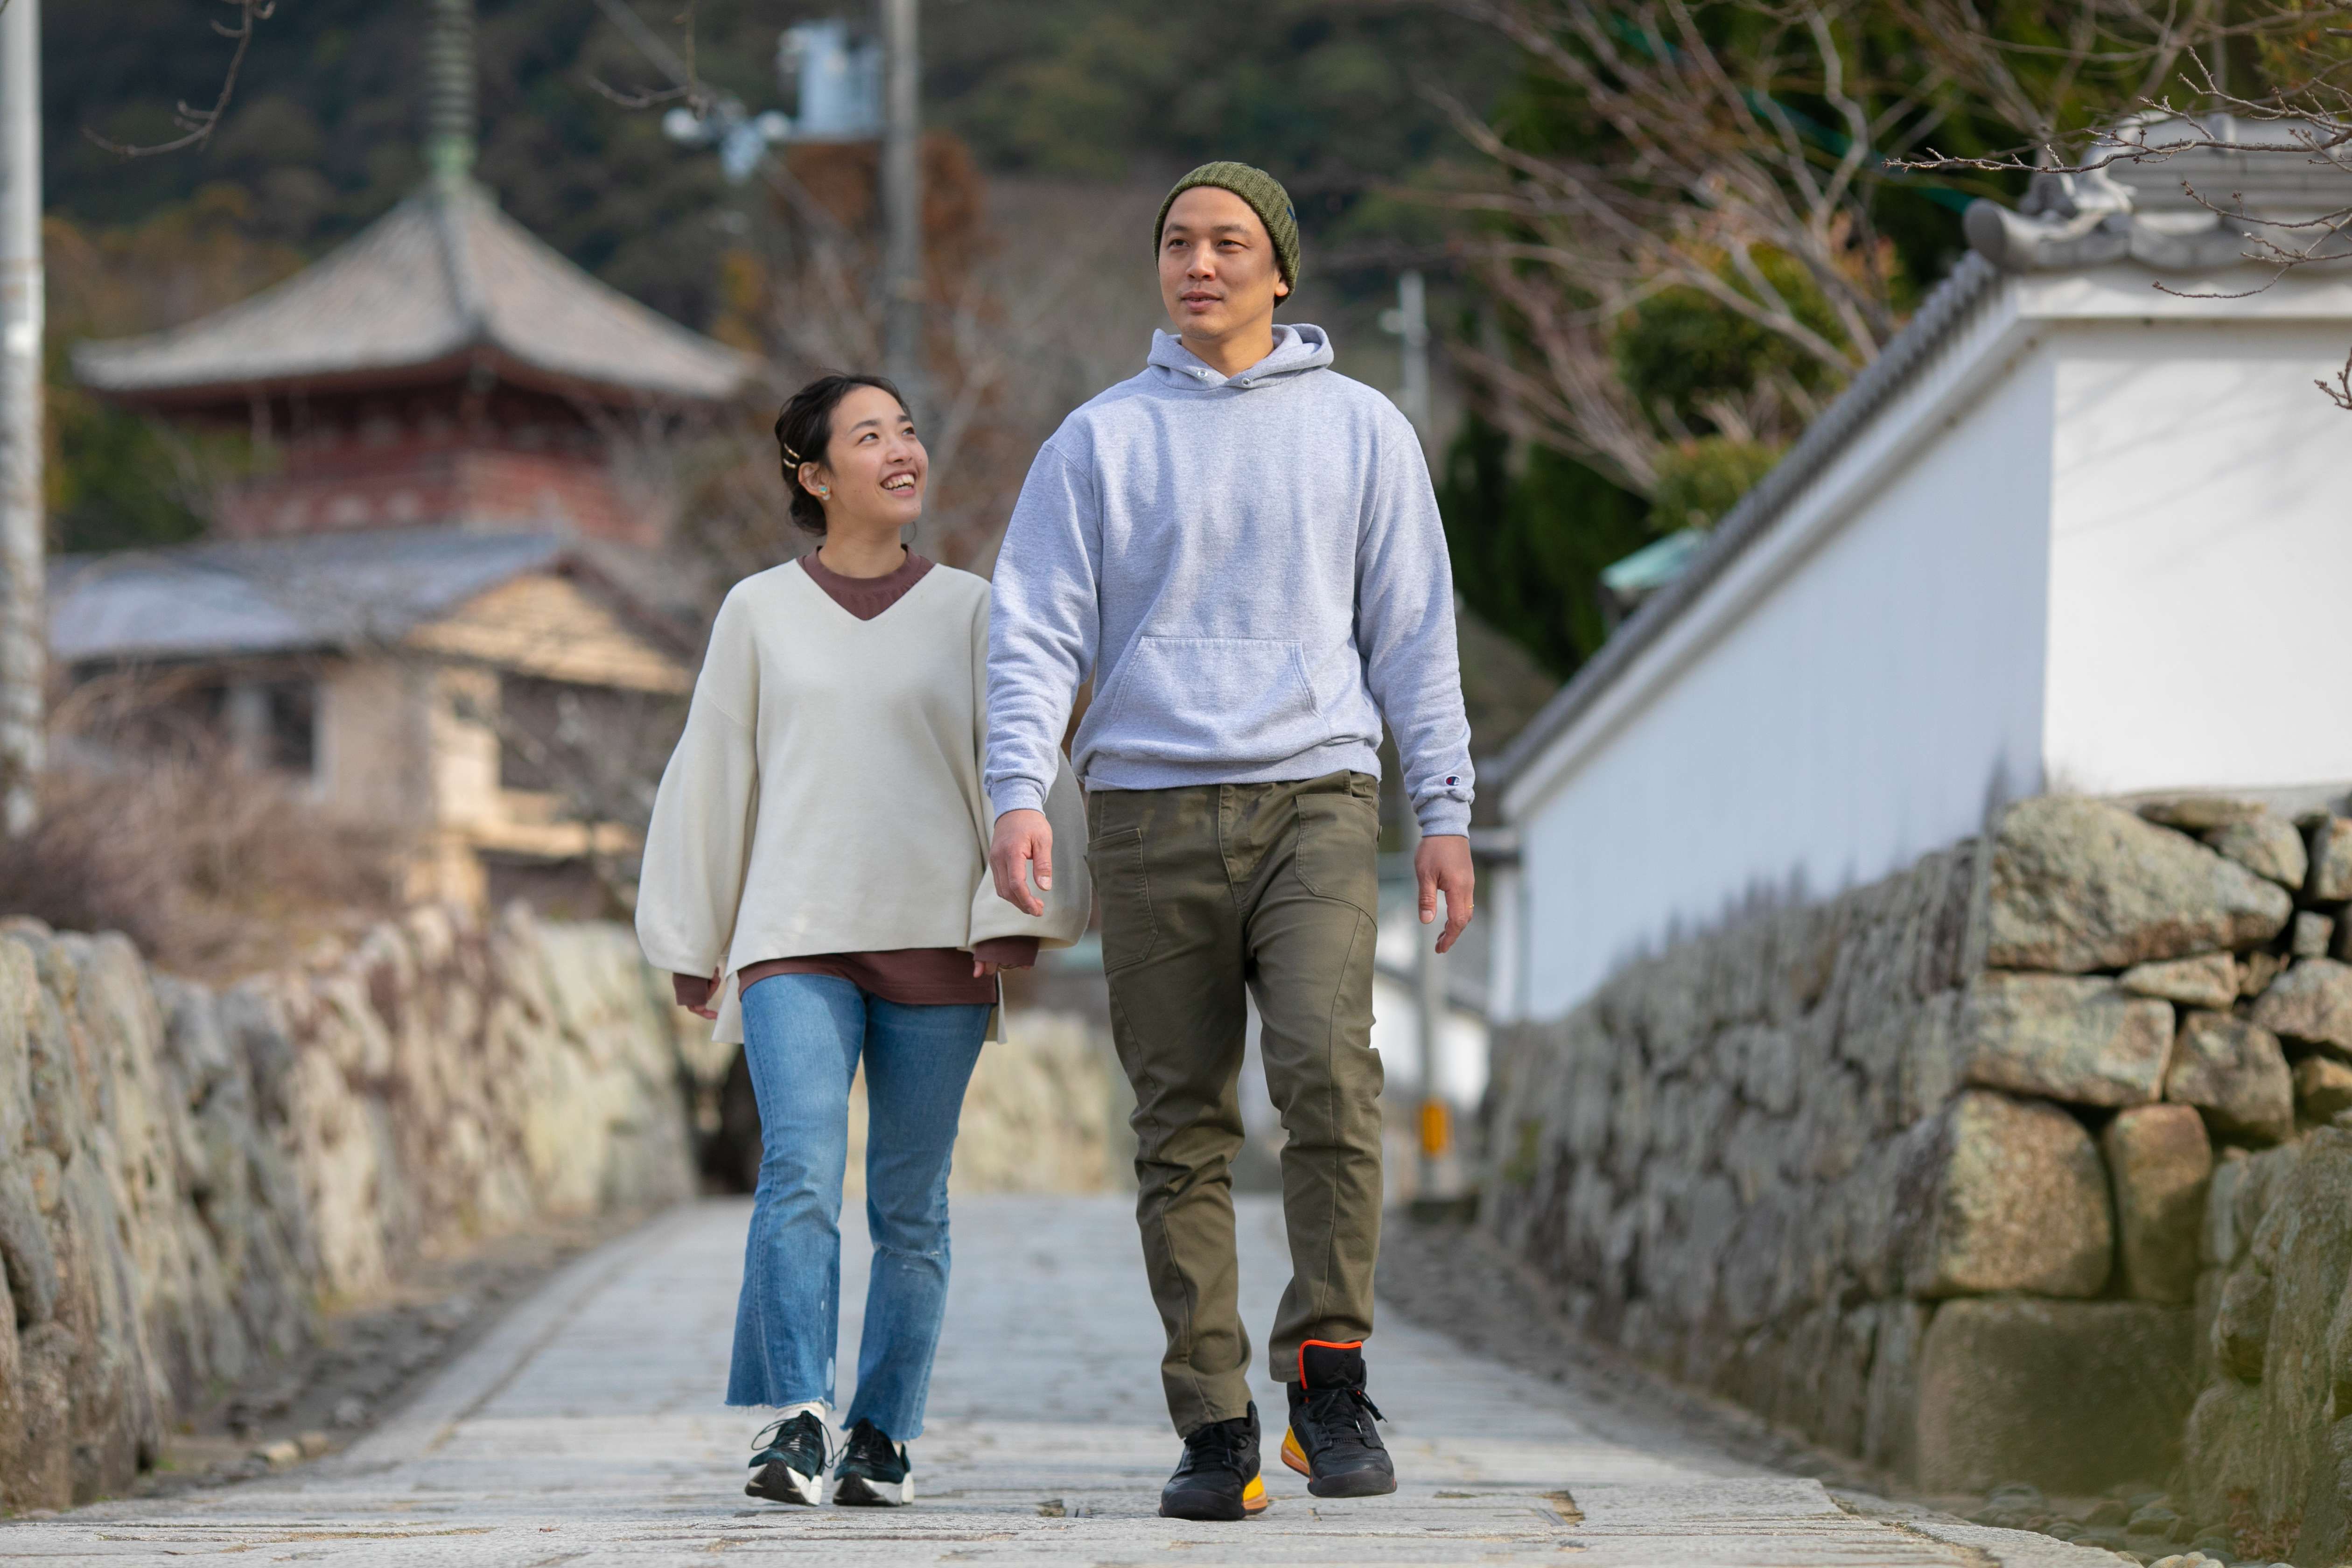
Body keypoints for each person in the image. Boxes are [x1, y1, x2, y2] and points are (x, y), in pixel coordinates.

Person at [983, 161, 1476, 1522]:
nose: (1198, 264)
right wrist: (1018, 790)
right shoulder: (1098, 441)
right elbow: (1033, 631)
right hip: (1144, 809)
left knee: (1329, 1071)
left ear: (1281, 272)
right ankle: (1213, 1422)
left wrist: (1445, 809)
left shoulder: (1363, 430)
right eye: (1178, 242)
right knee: (1180, 1124)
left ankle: (1329, 1374)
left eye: (1228, 244)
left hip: (1318, 794)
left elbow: (1414, 631)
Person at [636, 372, 1090, 1510]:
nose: (903, 451)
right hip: (793, 932)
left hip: (939, 942)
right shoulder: (756, 612)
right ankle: (796, 1417)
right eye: (870, 436)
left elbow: (1023, 763)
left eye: (908, 431)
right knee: (796, 1166)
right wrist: (698, 936)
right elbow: (713, 776)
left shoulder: (979, 611)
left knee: (910, 1203)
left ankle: (882, 1431)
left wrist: (1020, 917)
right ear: (813, 474)